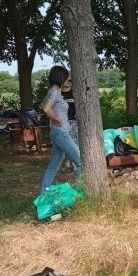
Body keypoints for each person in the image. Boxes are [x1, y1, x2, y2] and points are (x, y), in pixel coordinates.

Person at [39, 65, 81, 193]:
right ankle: (82, 191)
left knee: (53, 166)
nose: (68, 79)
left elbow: (42, 105)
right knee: (81, 162)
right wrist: (56, 117)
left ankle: (43, 193)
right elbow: (46, 108)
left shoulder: (54, 90)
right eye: (65, 77)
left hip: (58, 133)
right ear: (59, 77)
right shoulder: (55, 91)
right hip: (61, 132)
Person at [61, 77, 78, 169]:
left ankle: (75, 163)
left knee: (74, 141)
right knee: (65, 142)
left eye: (70, 81)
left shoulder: (74, 92)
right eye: (66, 80)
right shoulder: (58, 93)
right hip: (62, 122)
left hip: (74, 121)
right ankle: (68, 158)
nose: (68, 82)